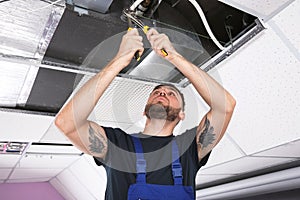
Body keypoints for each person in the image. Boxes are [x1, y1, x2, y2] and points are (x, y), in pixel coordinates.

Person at [55, 28, 236, 200]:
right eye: (156, 92)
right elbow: (67, 123)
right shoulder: (117, 145)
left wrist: (174, 56)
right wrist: (120, 60)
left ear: (182, 114)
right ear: (144, 111)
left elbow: (225, 106)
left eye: (171, 94)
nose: (162, 93)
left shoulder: (189, 149)